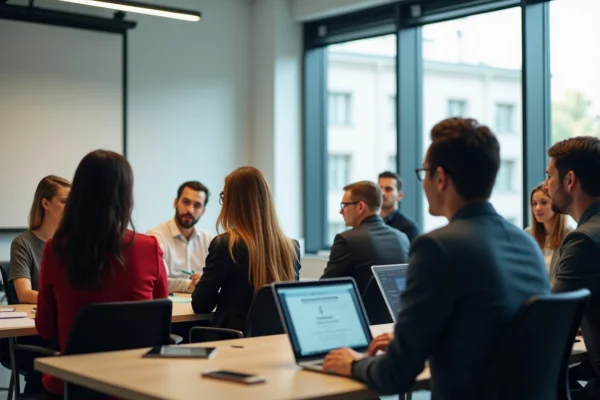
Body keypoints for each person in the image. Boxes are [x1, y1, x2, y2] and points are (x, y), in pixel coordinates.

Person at [322, 117, 549, 399]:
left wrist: (353, 363)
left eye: (424, 172)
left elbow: (395, 375)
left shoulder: (437, 248)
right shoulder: (527, 243)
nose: (423, 182)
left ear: (440, 178)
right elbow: (487, 332)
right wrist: (418, 340)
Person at [35, 150, 168, 396]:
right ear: (126, 196)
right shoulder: (148, 247)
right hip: (137, 383)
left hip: (76, 383)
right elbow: (161, 318)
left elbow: (45, 329)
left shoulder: (56, 250)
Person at [191, 166, 300, 331]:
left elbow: (201, 305)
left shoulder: (226, 245)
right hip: (277, 344)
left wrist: (203, 285)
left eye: (224, 196)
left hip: (232, 344)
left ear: (232, 202)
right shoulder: (291, 247)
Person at [544, 136, 600, 400]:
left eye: (549, 177)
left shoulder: (583, 240)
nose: (545, 186)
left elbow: (548, 325)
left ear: (570, 181)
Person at [321, 180, 409, 294]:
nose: (340, 211)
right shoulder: (402, 238)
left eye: (344, 205)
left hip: (360, 311)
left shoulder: (347, 240)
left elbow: (325, 287)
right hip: (397, 311)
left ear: (361, 207)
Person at [9, 175, 71, 304]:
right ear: (45, 204)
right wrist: (64, 300)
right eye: (64, 202)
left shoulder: (74, 242)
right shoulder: (22, 243)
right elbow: (25, 294)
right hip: (38, 316)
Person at [148, 181, 213, 293]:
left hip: (201, 308)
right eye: (186, 202)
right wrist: (190, 285)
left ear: (203, 211)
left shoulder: (209, 241)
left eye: (197, 205)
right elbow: (156, 282)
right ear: (175, 202)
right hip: (169, 308)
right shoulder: (155, 238)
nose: (190, 210)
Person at [525, 183, 570, 282]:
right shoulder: (527, 235)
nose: (537, 208)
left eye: (544, 202)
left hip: (558, 295)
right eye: (534, 203)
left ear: (556, 205)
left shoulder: (570, 237)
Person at [378, 171, 420, 242]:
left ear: (400, 196)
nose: (382, 193)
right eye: (379, 189)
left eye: (388, 189)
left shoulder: (408, 228)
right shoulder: (371, 223)